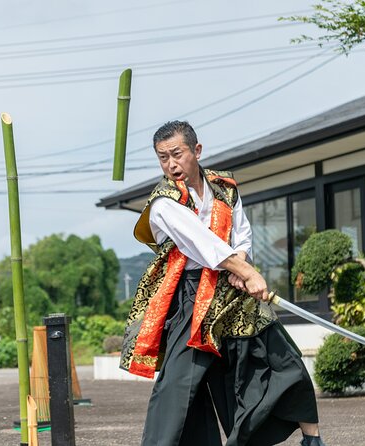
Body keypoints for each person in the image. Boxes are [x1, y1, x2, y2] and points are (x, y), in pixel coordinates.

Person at [119, 121, 326, 446]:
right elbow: (202, 244)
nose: (171, 164)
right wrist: (246, 272)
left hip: (233, 289)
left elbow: (241, 232)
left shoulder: (223, 187)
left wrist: (241, 265)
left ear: (196, 151)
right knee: (178, 387)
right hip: (191, 297)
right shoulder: (163, 202)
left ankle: (312, 439)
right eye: (162, 158)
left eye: (177, 154)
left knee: (283, 360)